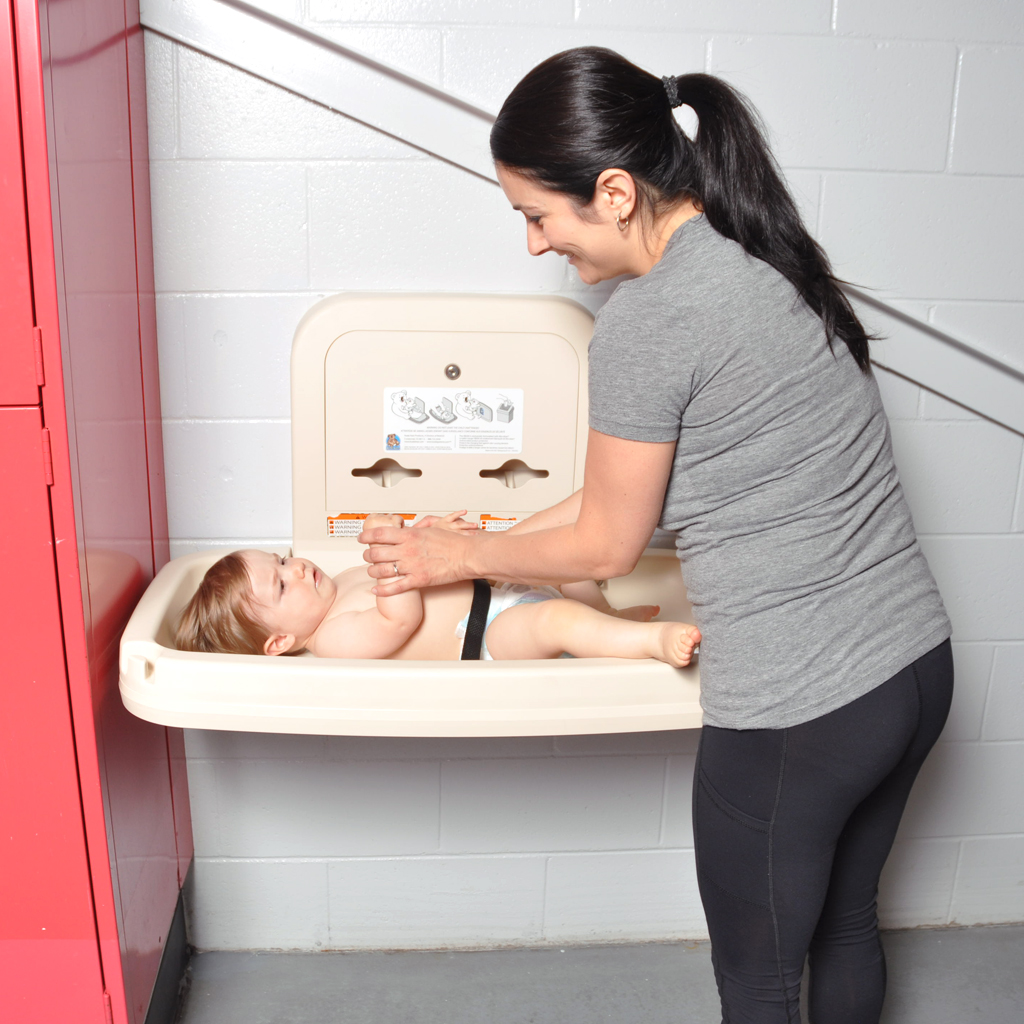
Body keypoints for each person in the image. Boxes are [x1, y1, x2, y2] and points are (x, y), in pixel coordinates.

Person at [357, 47, 953, 1024]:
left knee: (759, 981)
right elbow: (621, 497)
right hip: (913, 669)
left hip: (805, 706)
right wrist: (487, 537)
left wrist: (459, 556)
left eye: (535, 215)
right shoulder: (759, 254)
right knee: (845, 925)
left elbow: (604, 545)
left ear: (616, 191)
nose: (535, 244)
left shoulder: (652, 319)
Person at [174, 512, 701, 665]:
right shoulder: (333, 640)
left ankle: (609, 619)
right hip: (488, 633)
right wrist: (394, 557)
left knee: (558, 554)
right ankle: (647, 645)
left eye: (284, 560)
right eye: (282, 586)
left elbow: (419, 570)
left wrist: (424, 535)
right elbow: (397, 620)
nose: (297, 569)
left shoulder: (340, 582)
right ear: (280, 642)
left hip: (491, 582)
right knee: (554, 621)